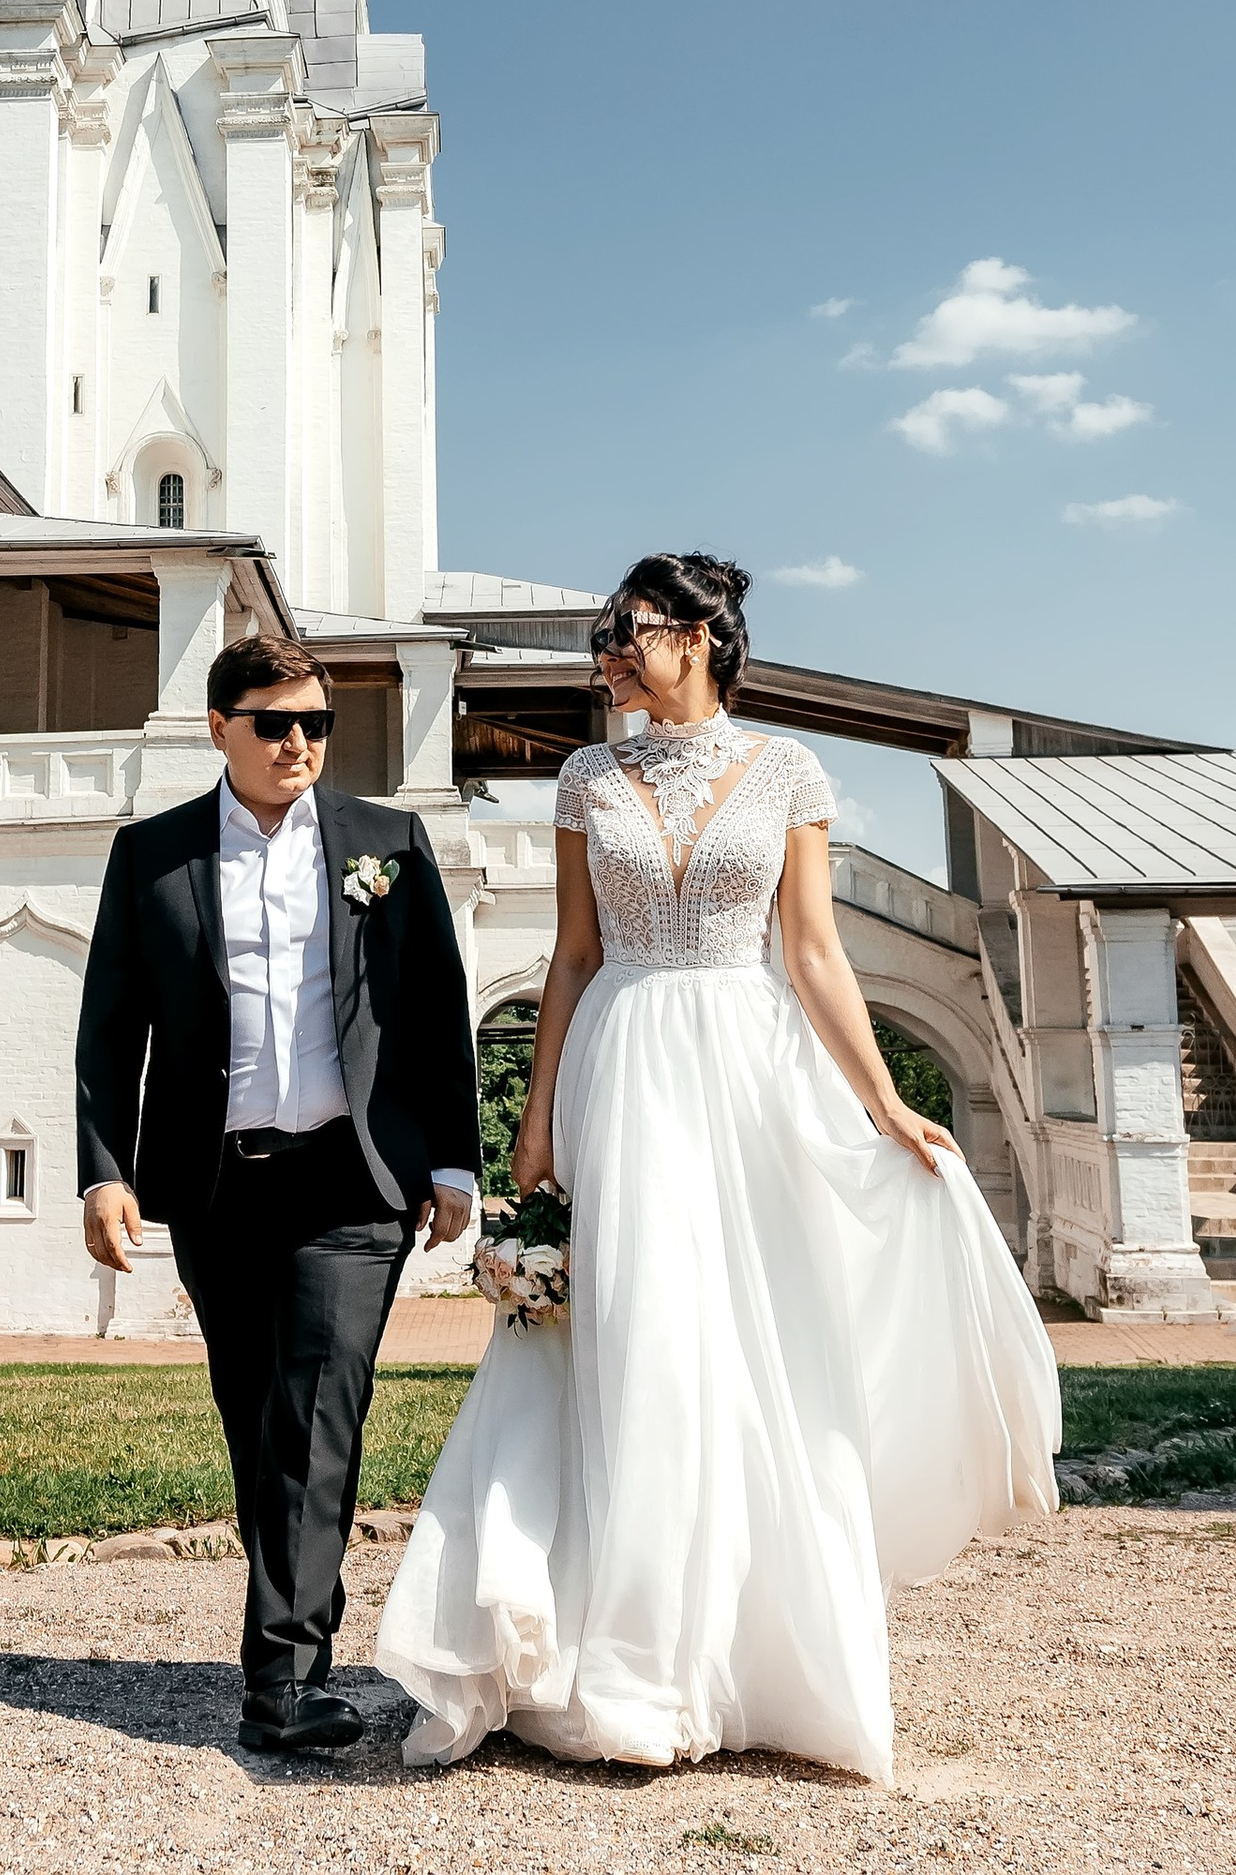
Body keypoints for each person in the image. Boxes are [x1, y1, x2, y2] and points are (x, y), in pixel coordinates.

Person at [376, 553, 1060, 1783]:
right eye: (603, 636)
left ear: (697, 636)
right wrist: (533, 1120)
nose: (605, 655)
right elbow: (572, 958)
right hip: (624, 1063)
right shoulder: (587, 776)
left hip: (749, 1072)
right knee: (632, 1343)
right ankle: (623, 1670)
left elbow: (812, 952)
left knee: (757, 1348)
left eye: (624, 632)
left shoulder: (789, 771)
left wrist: (889, 1101)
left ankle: (765, 1668)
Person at [76, 633, 481, 1754]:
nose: (298, 741)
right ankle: (289, 1632)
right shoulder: (150, 854)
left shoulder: (384, 845)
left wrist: (452, 1160)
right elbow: (110, 1027)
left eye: (315, 722)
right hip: (215, 1183)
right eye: (274, 722)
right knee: (257, 1418)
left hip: (351, 1183)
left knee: (315, 1412)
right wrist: (104, 1170)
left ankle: (284, 1682)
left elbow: (433, 1008)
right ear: (220, 728)